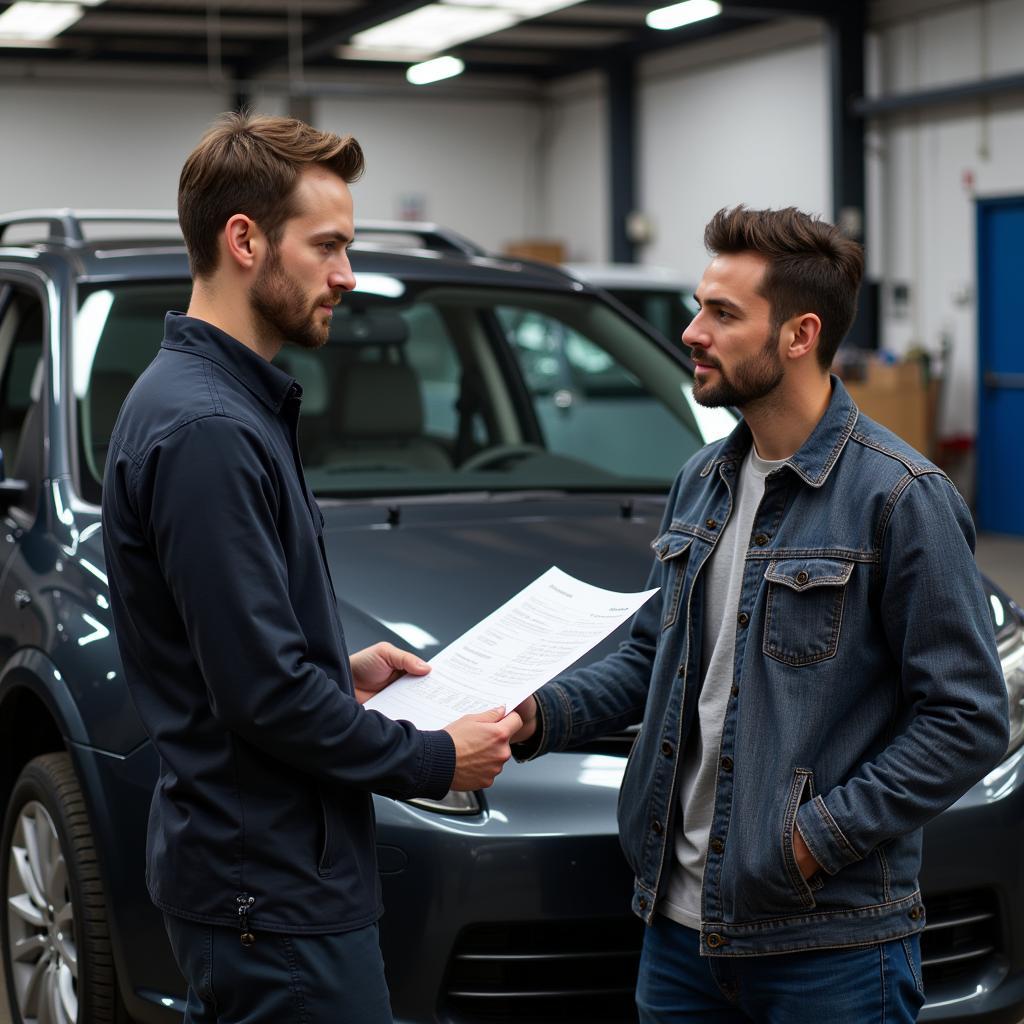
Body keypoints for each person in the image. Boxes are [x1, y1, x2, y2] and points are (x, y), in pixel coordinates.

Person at [511, 206, 1009, 1022]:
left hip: (830, 948)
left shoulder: (900, 498)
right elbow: (655, 659)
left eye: (722, 313)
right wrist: (536, 716)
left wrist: (815, 841)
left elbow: (968, 717)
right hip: (677, 934)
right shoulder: (701, 481)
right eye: (700, 305)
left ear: (798, 334)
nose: (692, 331)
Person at [101, 111, 521, 1024]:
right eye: (328, 246)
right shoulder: (209, 429)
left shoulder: (220, 403)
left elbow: (244, 657)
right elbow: (264, 696)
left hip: (262, 881)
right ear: (244, 240)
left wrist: (341, 668)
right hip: (273, 896)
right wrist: (435, 757)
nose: (347, 275)